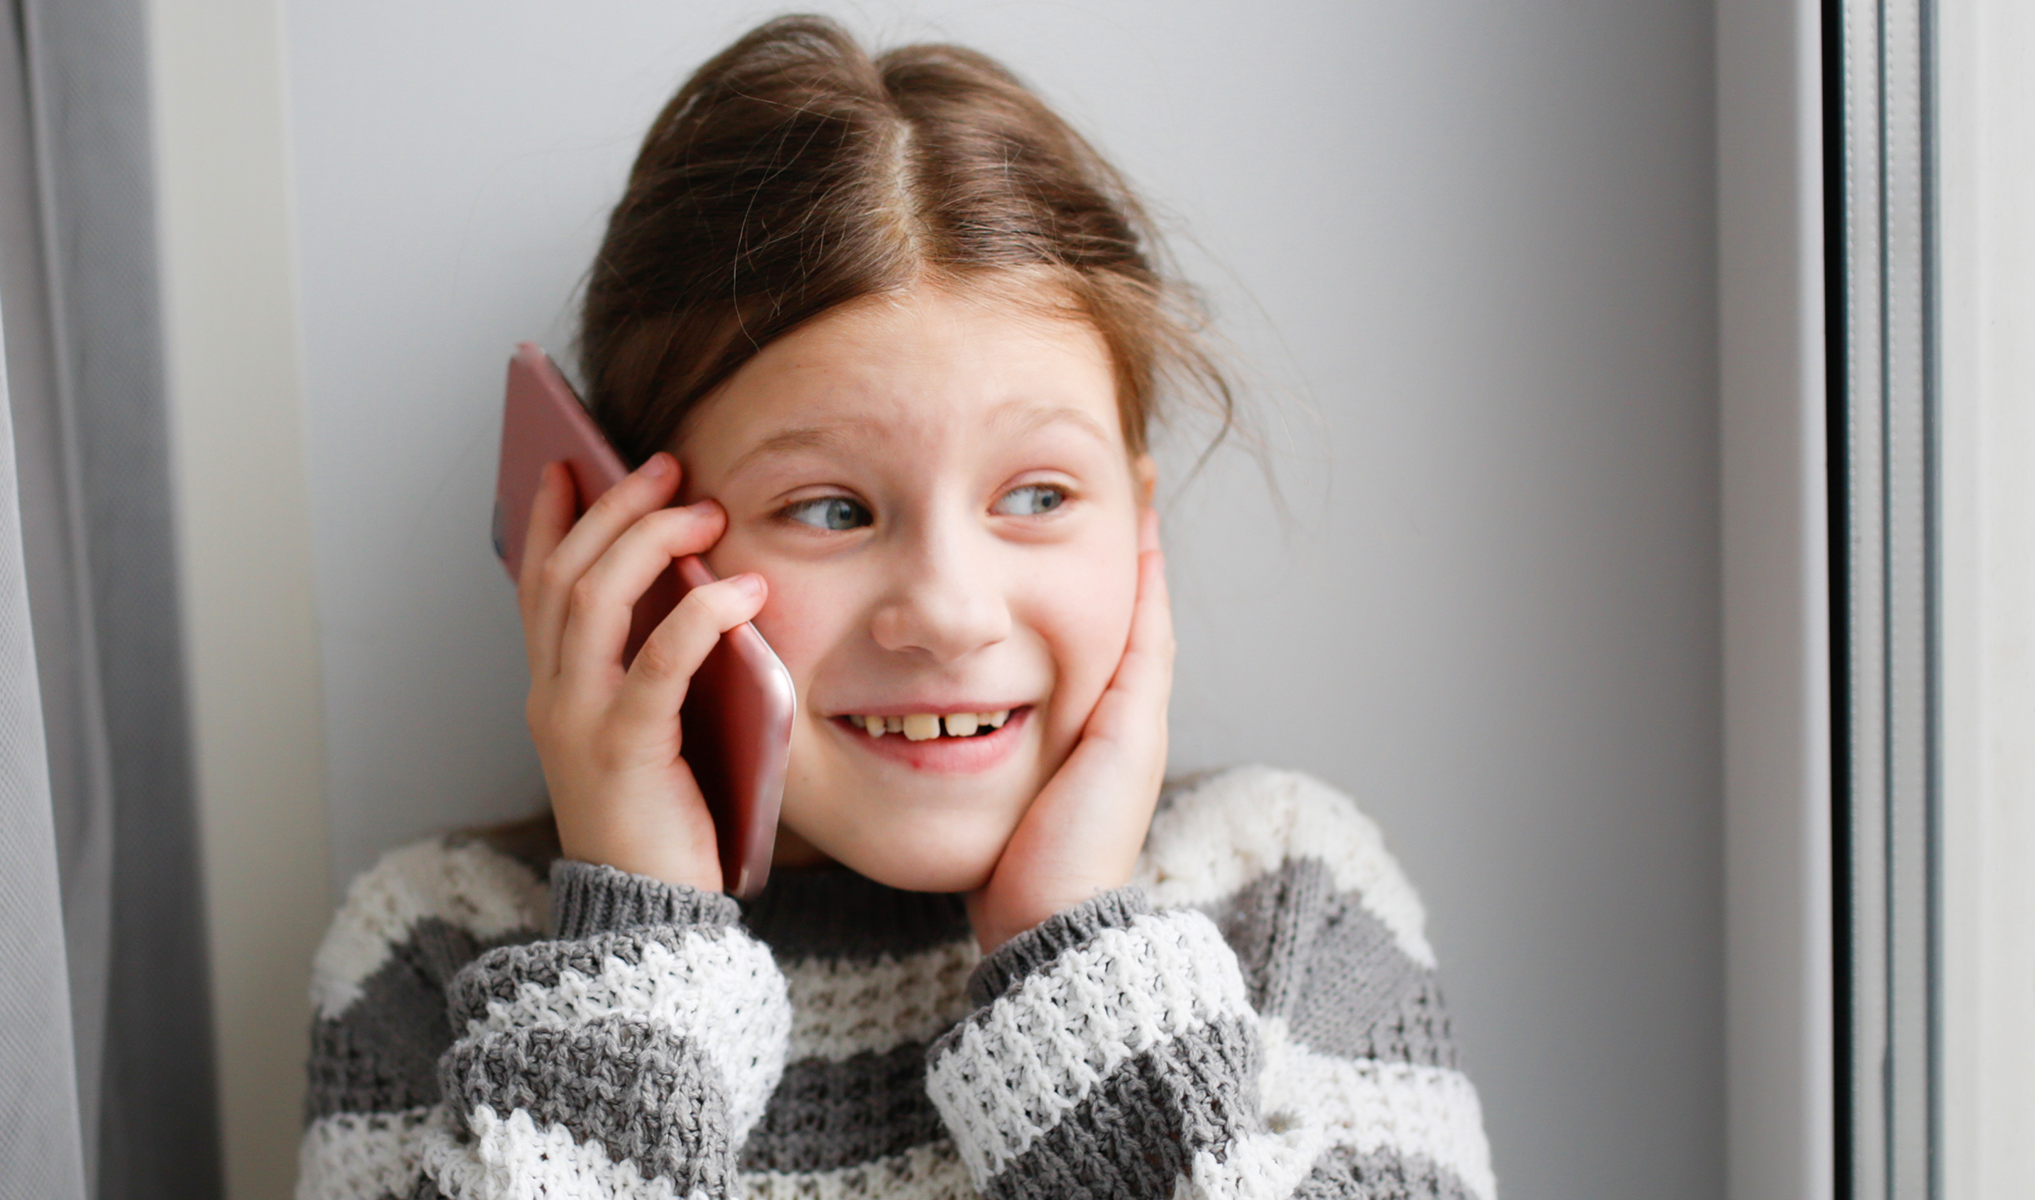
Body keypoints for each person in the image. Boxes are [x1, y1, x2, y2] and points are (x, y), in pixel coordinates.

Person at [297, 15, 1493, 1200]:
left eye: (1036, 494)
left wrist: (1075, 952)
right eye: (832, 510)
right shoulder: (435, 945)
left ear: (1138, 526)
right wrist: (634, 962)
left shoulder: (1286, 892)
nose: (953, 613)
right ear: (626, 547)